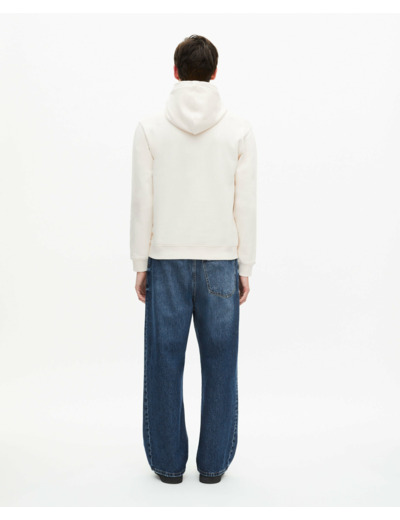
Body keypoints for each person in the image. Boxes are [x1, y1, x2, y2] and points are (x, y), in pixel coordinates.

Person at [130, 35, 257, 484]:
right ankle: (214, 466)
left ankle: (168, 465)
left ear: (176, 71)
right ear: (214, 72)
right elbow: (245, 204)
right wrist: (245, 266)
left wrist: (140, 263)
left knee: (164, 362)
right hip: (221, 261)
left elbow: (142, 202)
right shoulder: (238, 130)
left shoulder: (150, 129)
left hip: (165, 260)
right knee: (221, 364)